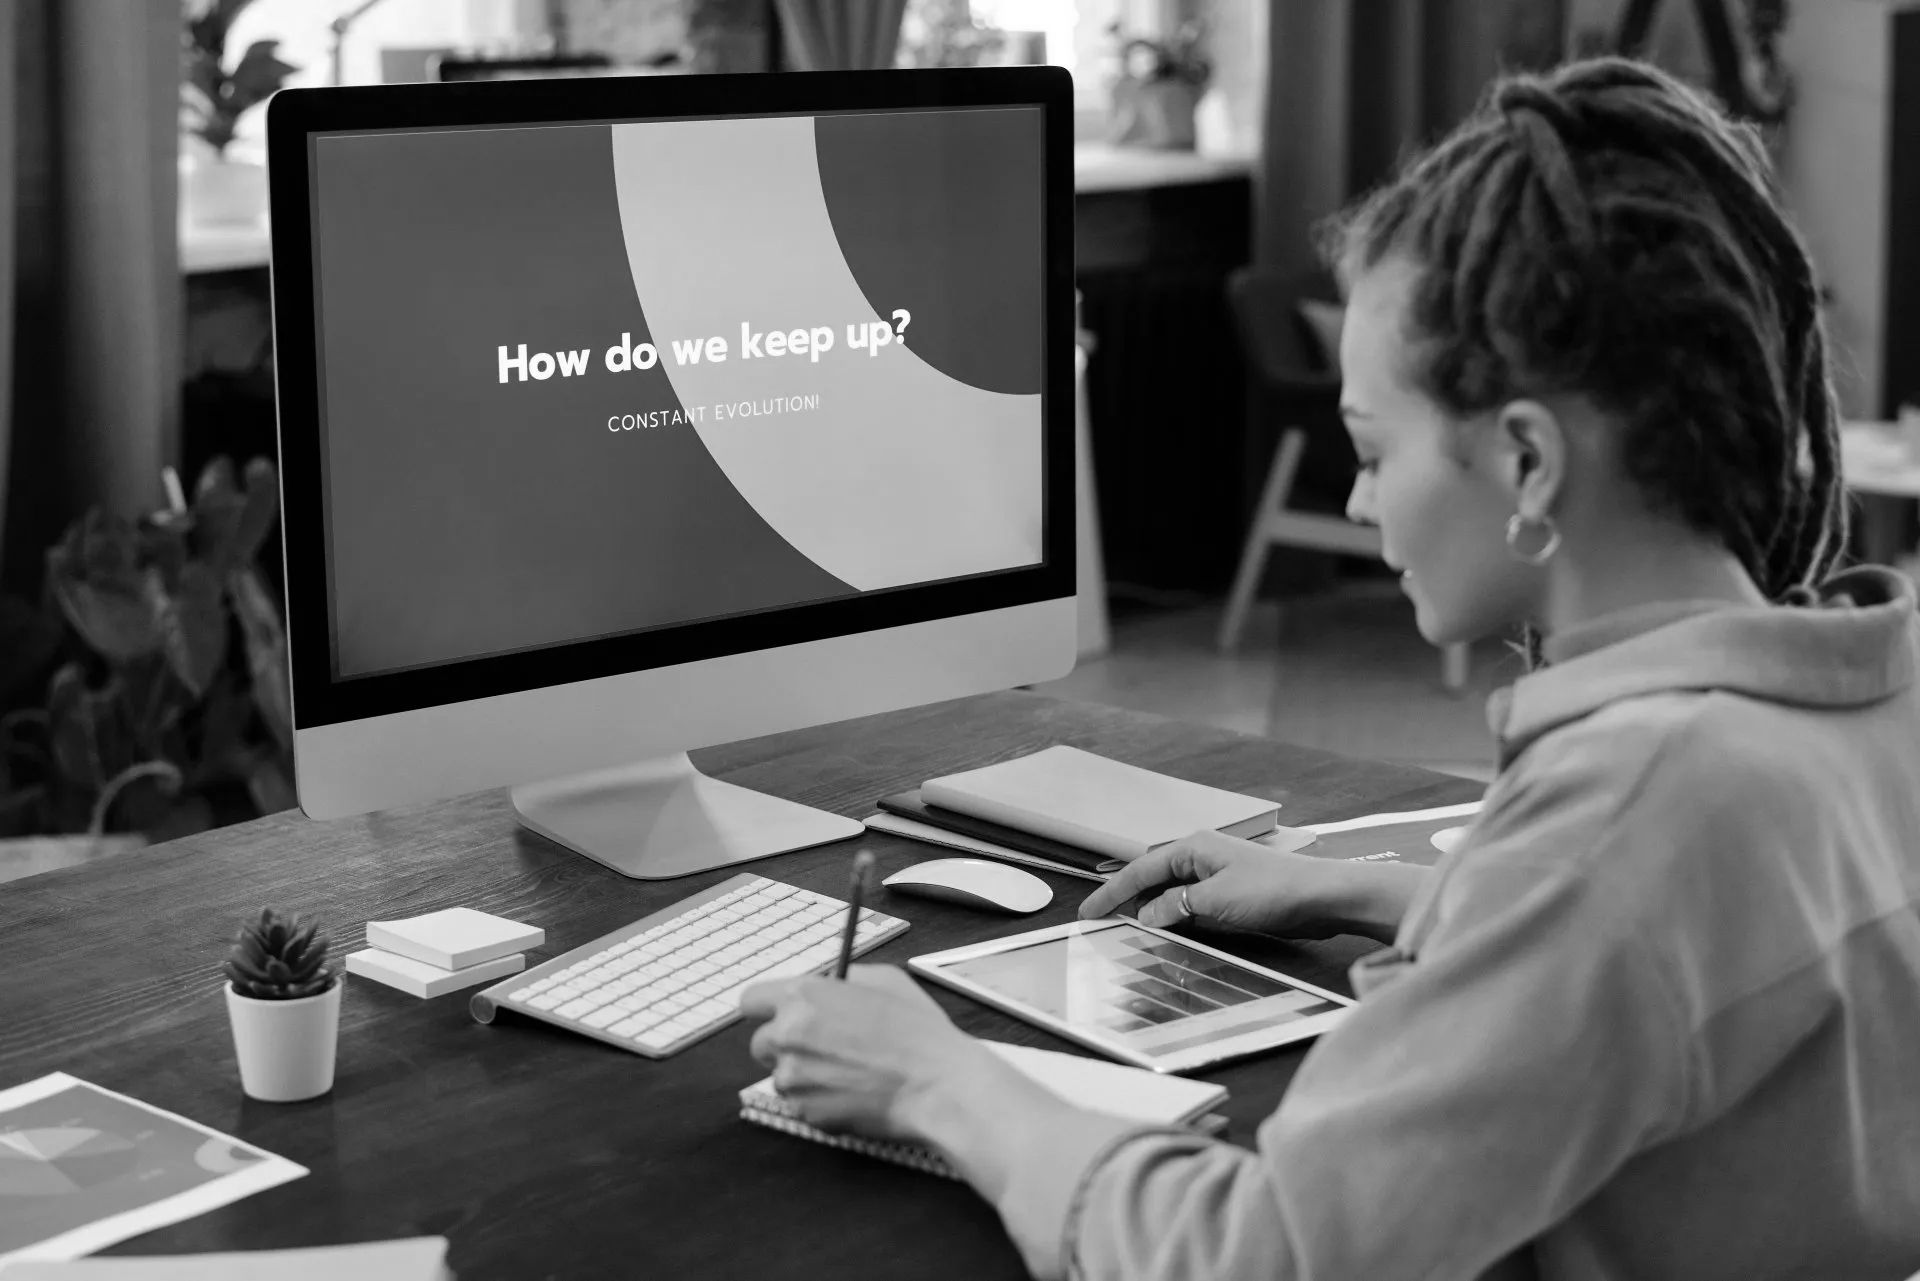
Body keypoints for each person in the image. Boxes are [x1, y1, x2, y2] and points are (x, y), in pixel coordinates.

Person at [739, 56, 1920, 1280]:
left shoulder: (1627, 808)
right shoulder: (1858, 692)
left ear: (1527, 463)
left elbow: (1261, 1259)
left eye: (1371, 448)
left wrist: (943, 1084)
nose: (1359, 502)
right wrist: (1364, 891)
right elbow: (1683, 956)